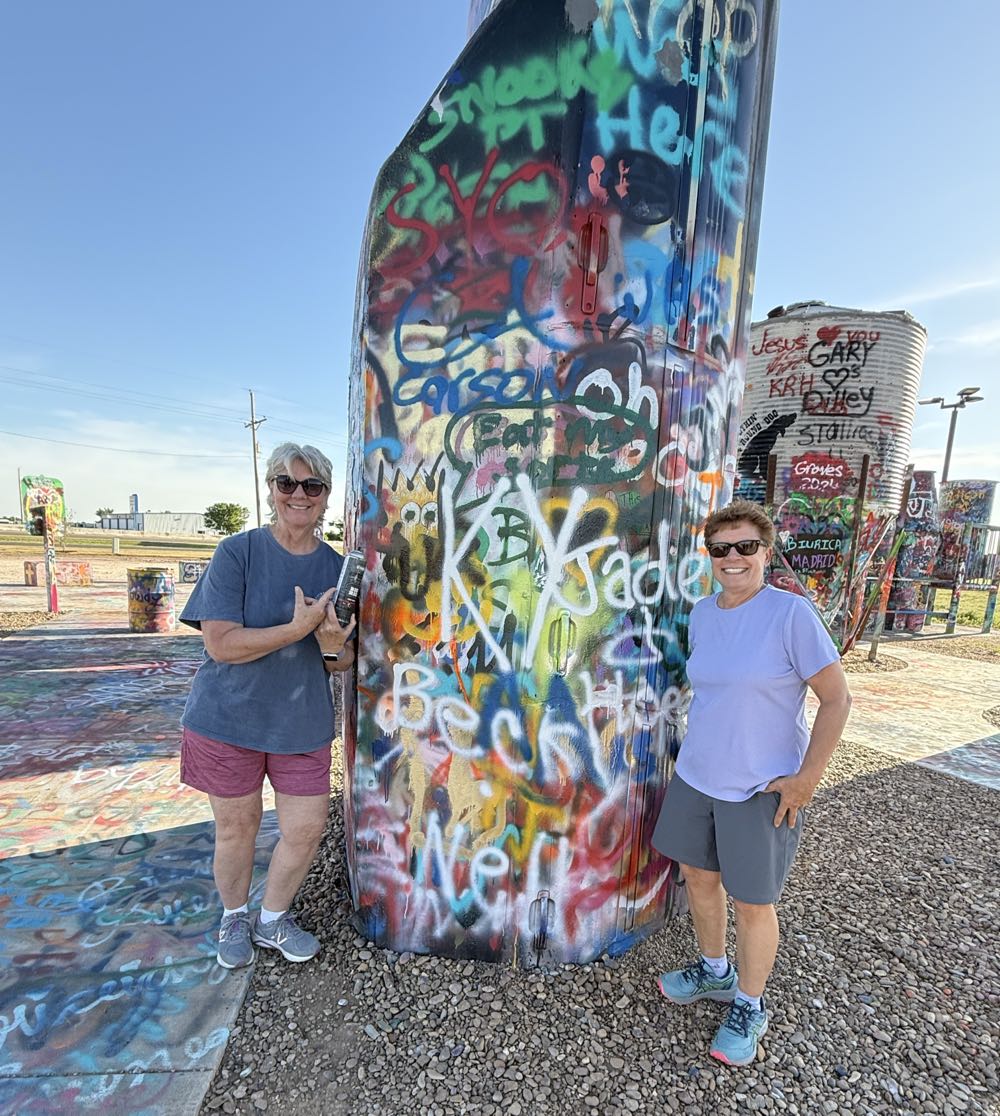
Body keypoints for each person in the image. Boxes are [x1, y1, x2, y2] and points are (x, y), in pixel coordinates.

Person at [651, 498, 852, 1065]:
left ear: (765, 551)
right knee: (697, 877)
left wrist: (807, 778)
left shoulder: (790, 615)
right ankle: (715, 971)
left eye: (744, 547)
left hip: (760, 786)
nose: (732, 558)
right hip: (698, 773)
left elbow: (837, 699)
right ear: (709, 556)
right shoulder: (704, 612)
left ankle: (750, 1003)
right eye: (720, 549)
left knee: (753, 901)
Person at [179, 442, 356, 969]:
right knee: (238, 828)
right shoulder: (237, 552)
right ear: (272, 491)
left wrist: (326, 643)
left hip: (301, 724)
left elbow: (340, 660)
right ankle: (234, 915)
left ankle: (273, 918)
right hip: (226, 719)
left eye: (312, 487)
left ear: (326, 498)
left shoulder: (339, 569)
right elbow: (221, 644)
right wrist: (297, 629)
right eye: (287, 484)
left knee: (304, 829)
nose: (299, 496)